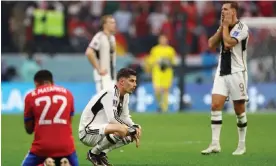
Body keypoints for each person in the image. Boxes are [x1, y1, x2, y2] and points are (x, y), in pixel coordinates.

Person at [201, 1, 249, 155]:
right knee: (215, 105)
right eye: (222, 9)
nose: (223, 12)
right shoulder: (223, 27)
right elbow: (210, 44)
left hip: (237, 72)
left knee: (239, 110)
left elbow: (228, 44)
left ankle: (241, 145)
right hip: (222, 71)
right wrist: (222, 27)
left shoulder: (242, 28)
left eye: (226, 9)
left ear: (234, 11)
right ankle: (215, 143)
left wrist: (226, 28)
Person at [79, 68, 142, 166]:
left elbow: (125, 116)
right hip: (87, 132)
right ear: (122, 82)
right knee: (121, 129)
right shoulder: (111, 92)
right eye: (132, 81)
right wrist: (130, 129)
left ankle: (101, 154)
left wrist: (135, 127)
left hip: (102, 129)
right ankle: (93, 154)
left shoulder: (125, 95)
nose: (135, 84)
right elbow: (112, 119)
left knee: (133, 130)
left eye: (135, 81)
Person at [22, 70, 79, 166]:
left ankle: (45, 164)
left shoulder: (30, 96)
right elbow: (69, 121)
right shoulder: (68, 94)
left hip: (41, 147)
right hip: (66, 147)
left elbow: (29, 129)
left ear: (36, 83)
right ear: (52, 81)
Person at [85, 15, 117, 92]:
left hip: (112, 77)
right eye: (111, 22)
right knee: (103, 101)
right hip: (103, 77)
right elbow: (89, 52)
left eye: (114, 22)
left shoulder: (112, 38)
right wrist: (99, 69)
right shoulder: (99, 36)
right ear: (105, 25)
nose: (114, 24)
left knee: (112, 102)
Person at [148, 34, 176, 113]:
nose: (163, 40)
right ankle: (160, 104)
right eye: (161, 39)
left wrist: (167, 62)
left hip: (167, 72)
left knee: (166, 90)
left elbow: (174, 62)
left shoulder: (170, 50)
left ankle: (164, 108)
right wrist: (156, 61)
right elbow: (150, 61)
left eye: (164, 39)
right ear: (159, 40)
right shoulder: (155, 49)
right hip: (157, 72)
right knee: (157, 90)